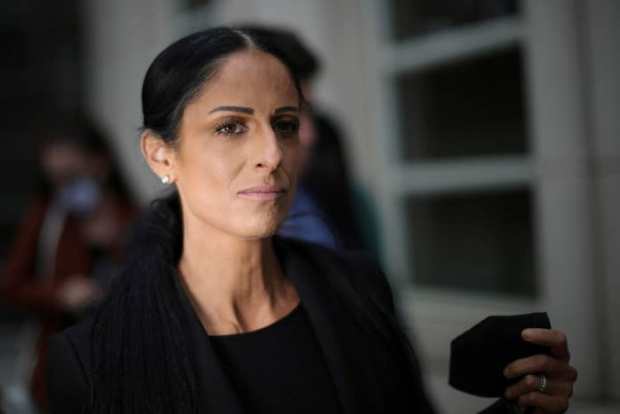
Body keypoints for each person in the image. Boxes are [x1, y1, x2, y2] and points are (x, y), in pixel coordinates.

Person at [46, 27, 577, 414]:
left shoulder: (358, 287)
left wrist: (521, 408)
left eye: (284, 124)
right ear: (161, 154)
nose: (272, 154)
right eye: (231, 127)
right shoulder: (92, 359)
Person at [0, 119, 137, 411]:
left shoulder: (135, 219)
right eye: (55, 179)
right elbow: (11, 284)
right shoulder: (48, 219)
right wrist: (59, 294)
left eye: (72, 176)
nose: (64, 188)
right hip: (60, 377)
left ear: (100, 164)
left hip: (124, 374)